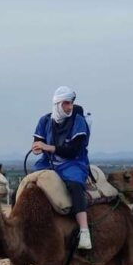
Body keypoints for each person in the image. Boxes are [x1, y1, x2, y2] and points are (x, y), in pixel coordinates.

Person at [31, 86, 93, 249]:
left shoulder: (78, 121)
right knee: (29, 185)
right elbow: (38, 141)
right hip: (48, 162)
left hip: (73, 162)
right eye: (66, 103)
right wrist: (37, 148)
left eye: (71, 103)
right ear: (57, 104)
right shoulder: (44, 121)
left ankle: (85, 232)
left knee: (75, 186)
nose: (69, 107)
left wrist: (49, 147)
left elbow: (73, 151)